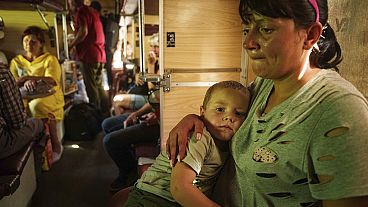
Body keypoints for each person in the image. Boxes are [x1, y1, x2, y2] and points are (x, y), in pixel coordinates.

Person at [166, 0, 368, 206]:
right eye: (248, 28)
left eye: (266, 29)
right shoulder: (266, 83)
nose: (248, 42)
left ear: (310, 35)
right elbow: (227, 111)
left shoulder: (338, 111)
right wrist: (195, 119)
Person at [122, 81, 250, 207]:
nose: (229, 117)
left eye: (238, 113)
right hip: (153, 197)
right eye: (220, 109)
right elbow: (180, 187)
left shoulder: (230, 143)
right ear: (202, 112)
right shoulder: (200, 136)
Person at [9, 26, 64, 162]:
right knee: (15, 107)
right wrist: (22, 81)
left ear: (41, 44)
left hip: (47, 94)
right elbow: (12, 81)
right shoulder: (16, 62)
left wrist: (29, 78)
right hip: (24, 94)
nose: (29, 44)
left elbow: (52, 81)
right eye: (26, 41)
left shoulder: (49, 59)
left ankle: (56, 145)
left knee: (37, 106)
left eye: (33, 41)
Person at [102, 100, 160, 192]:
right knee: (107, 124)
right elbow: (154, 99)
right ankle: (128, 159)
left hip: (161, 123)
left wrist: (159, 117)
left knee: (109, 141)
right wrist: (136, 114)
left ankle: (129, 171)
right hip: (153, 113)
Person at [68, 0, 108, 114]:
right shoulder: (92, 11)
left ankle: (95, 115)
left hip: (89, 55)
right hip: (100, 54)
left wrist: (71, 45)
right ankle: (105, 112)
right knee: (98, 85)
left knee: (91, 88)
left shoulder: (81, 11)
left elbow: (83, 32)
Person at [0, 63, 44, 159]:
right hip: (2, 143)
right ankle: (39, 167)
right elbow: (17, 122)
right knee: (38, 123)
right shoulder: (2, 72)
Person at [111, 33, 160, 115]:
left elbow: (152, 88)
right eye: (151, 46)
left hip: (150, 99)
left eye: (156, 47)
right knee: (117, 98)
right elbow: (144, 75)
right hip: (141, 92)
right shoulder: (156, 61)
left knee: (117, 100)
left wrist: (151, 64)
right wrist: (138, 76)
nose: (153, 50)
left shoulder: (160, 64)